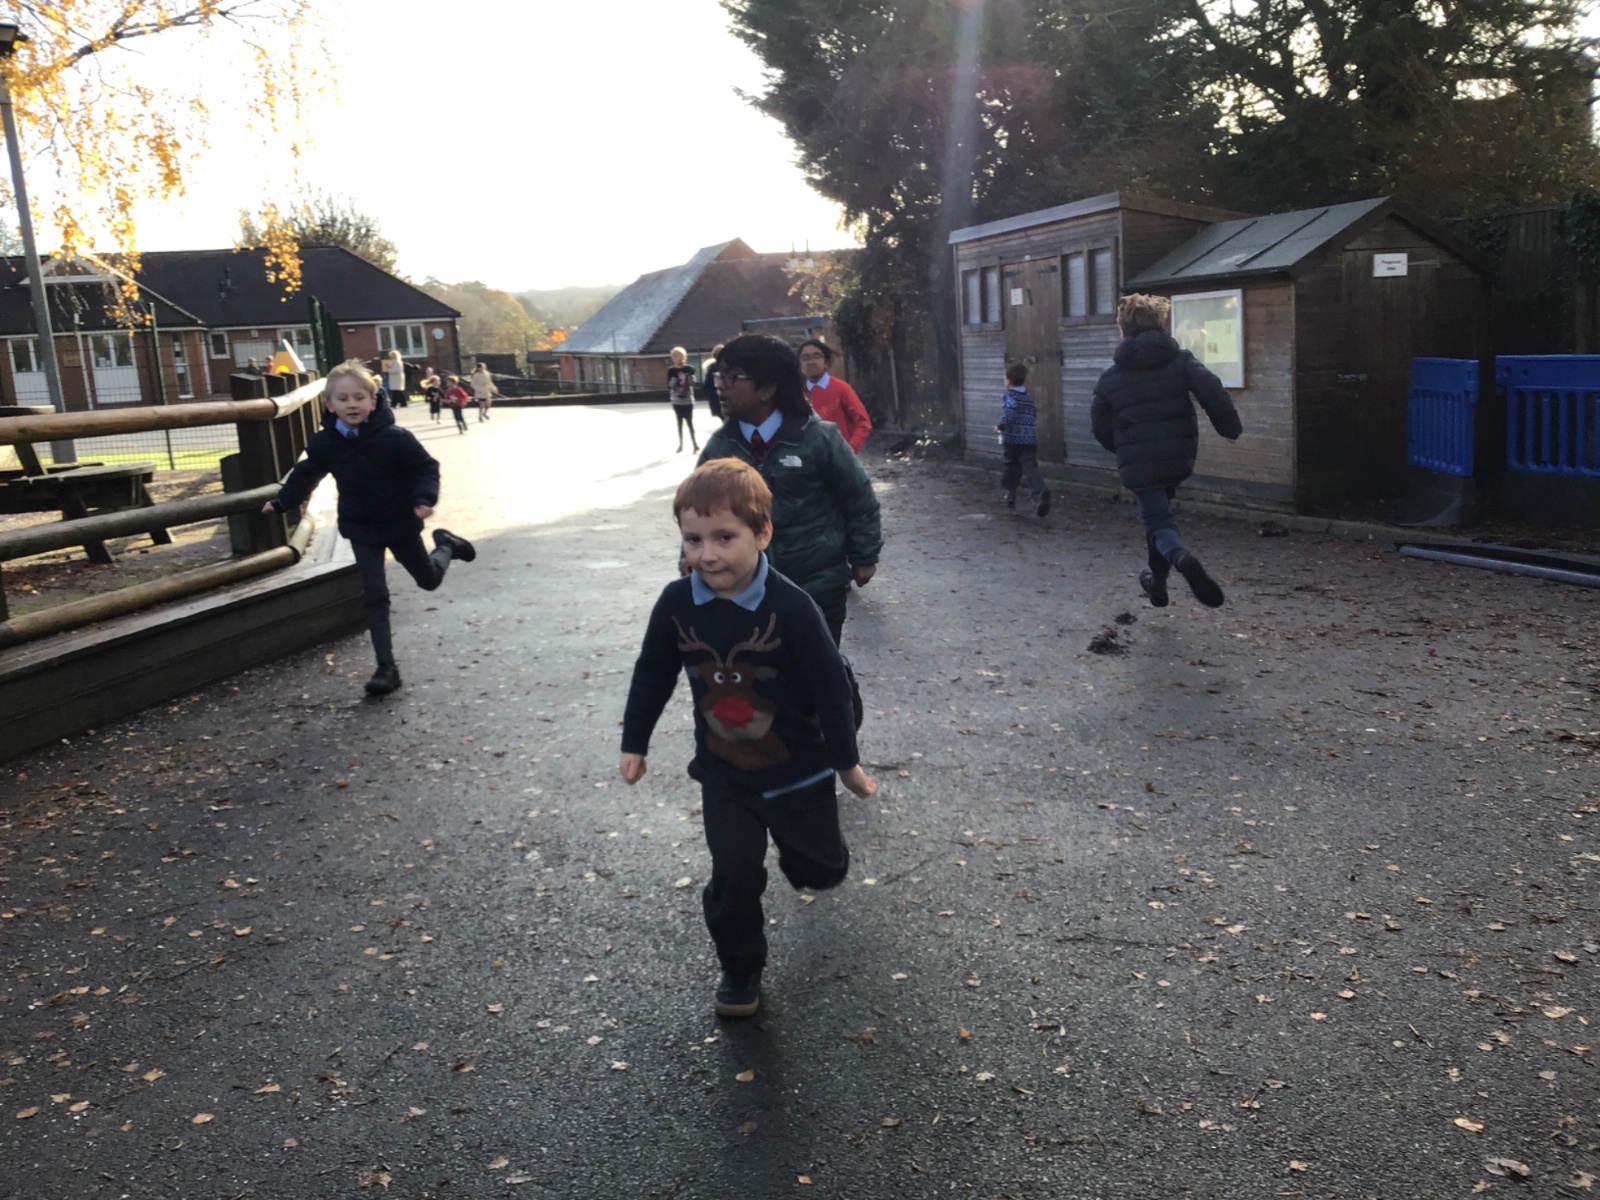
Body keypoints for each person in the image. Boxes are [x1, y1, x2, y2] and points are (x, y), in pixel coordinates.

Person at [620, 458, 877, 1018]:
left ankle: (809, 855)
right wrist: (634, 741)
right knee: (734, 875)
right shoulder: (677, 604)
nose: (706, 554)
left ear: (762, 534)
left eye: (724, 538)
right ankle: (740, 970)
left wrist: (846, 763)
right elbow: (652, 672)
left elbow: (828, 687)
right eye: (693, 539)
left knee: (820, 871)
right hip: (725, 774)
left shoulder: (792, 608)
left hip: (799, 771)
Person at [262, 359, 475, 696]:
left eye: (359, 397)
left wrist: (424, 498)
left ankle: (447, 545)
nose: (352, 404)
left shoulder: (395, 438)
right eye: (343, 398)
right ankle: (386, 668)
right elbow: (305, 475)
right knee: (375, 595)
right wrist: (282, 502)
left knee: (428, 580)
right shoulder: (324, 443)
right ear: (329, 405)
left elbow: (424, 468)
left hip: (399, 522)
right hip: (361, 526)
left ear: (373, 402)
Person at [700, 334, 881, 648]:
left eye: (732, 377)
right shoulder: (719, 448)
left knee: (818, 668)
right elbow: (699, 514)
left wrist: (864, 555)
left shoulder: (818, 438)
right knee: (760, 671)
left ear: (767, 388)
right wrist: (694, 564)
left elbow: (859, 498)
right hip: (746, 588)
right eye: (719, 376)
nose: (720, 386)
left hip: (817, 586)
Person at [1090, 293, 1242, 609]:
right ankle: (1157, 586)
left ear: (1123, 328)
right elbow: (1212, 390)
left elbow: (1099, 425)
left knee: (1159, 524)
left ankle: (1181, 558)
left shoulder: (1110, 378)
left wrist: (1124, 449)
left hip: (1139, 464)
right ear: (1159, 322)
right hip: (1178, 456)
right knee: (1158, 519)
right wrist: (1230, 429)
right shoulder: (1181, 361)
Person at [996, 361, 1051, 517]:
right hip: (1029, 441)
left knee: (1011, 466)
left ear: (1009, 380)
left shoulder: (1008, 395)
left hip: (1013, 440)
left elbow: (1010, 412)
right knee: (1029, 467)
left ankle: (1010, 494)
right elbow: (1033, 414)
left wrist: (1000, 426)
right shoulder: (1028, 397)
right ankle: (1040, 491)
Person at [797, 339, 872, 454]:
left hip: (839, 456)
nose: (811, 362)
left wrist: (849, 451)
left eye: (816, 356)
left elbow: (863, 423)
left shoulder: (841, 388)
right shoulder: (797, 393)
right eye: (805, 358)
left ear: (827, 362)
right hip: (808, 458)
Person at [667, 346, 699, 452]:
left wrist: (690, 376)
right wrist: (674, 380)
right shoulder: (671, 370)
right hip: (676, 400)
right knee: (679, 422)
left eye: (678, 356)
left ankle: (694, 444)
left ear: (683, 356)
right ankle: (680, 444)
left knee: (690, 423)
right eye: (674, 356)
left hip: (688, 400)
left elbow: (692, 384)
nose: (676, 358)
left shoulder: (689, 369)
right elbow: (669, 386)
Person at [699, 343, 725, 421]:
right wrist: (716, 392)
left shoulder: (730, 366)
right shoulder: (713, 368)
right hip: (718, 401)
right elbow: (706, 387)